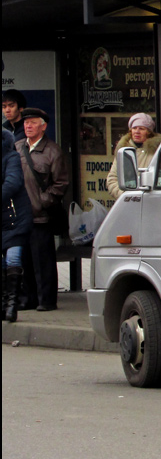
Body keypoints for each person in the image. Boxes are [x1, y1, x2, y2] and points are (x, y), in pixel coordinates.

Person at [15, 107, 70, 313]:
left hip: (41, 216)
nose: (28, 126)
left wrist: (40, 202)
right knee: (25, 261)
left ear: (43, 126)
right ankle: (28, 299)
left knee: (43, 261)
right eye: (26, 122)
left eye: (33, 123)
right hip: (21, 216)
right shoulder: (18, 147)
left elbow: (61, 184)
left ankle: (46, 300)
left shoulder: (52, 151)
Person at [3, 129, 34, 322]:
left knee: (13, 258)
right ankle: (4, 304)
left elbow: (13, 182)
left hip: (15, 217)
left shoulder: (11, 156)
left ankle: (12, 306)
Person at [105, 113, 161, 201]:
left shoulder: (158, 151)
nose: (137, 131)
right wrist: (126, 196)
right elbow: (112, 179)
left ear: (149, 132)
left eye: (141, 129)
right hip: (128, 203)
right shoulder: (123, 150)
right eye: (134, 128)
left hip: (152, 202)